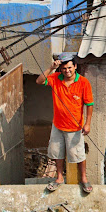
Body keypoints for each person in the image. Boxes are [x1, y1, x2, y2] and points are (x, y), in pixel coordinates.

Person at [36, 53, 94, 194]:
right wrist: (51, 67)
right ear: (60, 69)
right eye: (64, 69)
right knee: (57, 153)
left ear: (75, 66)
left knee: (79, 155)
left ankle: (84, 179)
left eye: (69, 68)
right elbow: (39, 81)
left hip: (75, 127)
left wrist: (88, 124)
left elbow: (89, 104)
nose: (67, 71)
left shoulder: (83, 82)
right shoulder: (55, 78)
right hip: (58, 125)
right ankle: (59, 178)